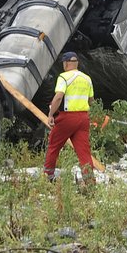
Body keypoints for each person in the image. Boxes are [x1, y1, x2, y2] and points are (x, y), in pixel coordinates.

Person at [44, 51, 96, 186]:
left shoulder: (64, 77)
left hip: (67, 118)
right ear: (76, 63)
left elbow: (59, 96)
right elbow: (91, 100)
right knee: (84, 152)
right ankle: (90, 181)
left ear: (66, 63)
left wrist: (51, 114)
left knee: (54, 146)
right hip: (83, 118)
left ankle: (48, 177)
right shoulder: (87, 78)